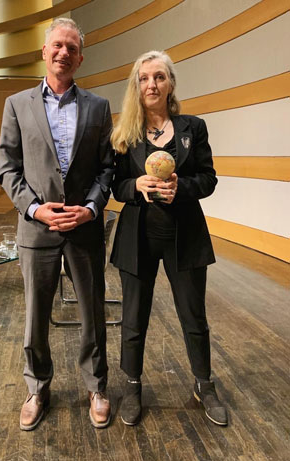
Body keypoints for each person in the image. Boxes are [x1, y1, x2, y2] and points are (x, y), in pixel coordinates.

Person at [0, 18, 114, 431]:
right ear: (43, 53)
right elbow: (8, 168)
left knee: (92, 313)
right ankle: (37, 387)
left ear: (80, 58)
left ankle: (97, 386)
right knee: (34, 316)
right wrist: (34, 209)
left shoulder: (99, 108)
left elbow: (107, 169)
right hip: (36, 229)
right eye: (57, 46)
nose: (63, 52)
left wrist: (92, 208)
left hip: (83, 228)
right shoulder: (16, 104)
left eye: (71, 47)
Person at [110, 51, 228, 427]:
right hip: (138, 237)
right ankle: (131, 386)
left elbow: (209, 179)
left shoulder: (194, 127)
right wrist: (135, 186)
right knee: (133, 318)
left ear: (170, 83)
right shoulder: (125, 134)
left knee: (194, 316)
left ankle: (204, 385)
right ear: (136, 85)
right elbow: (114, 184)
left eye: (159, 77)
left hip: (185, 236)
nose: (152, 85)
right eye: (144, 78)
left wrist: (184, 187)